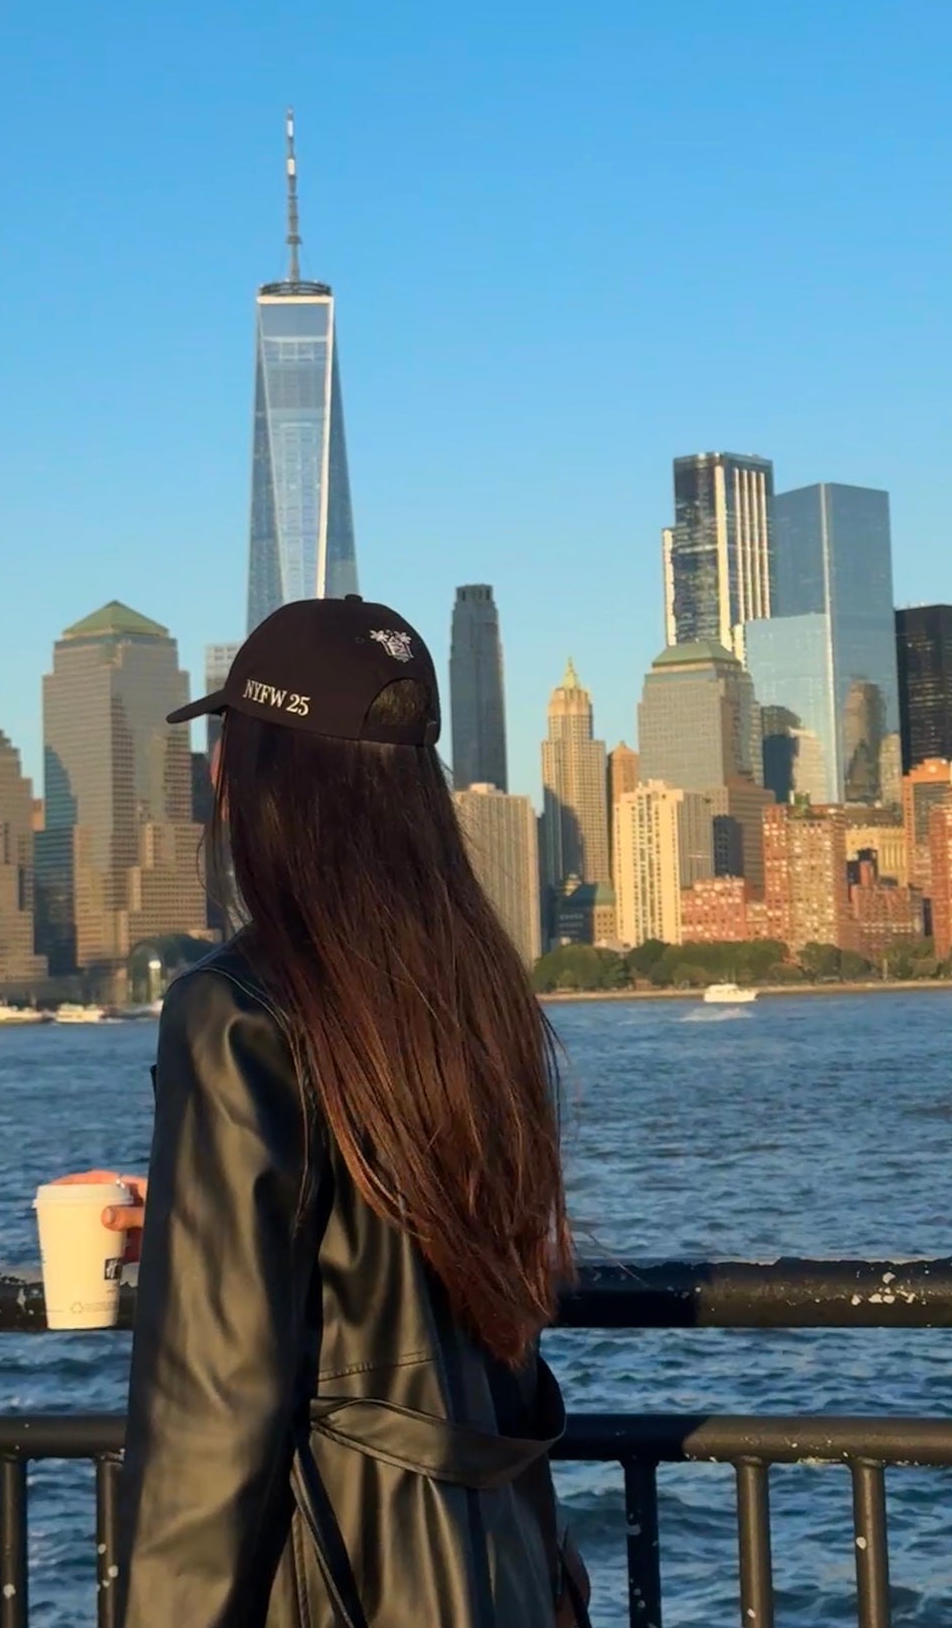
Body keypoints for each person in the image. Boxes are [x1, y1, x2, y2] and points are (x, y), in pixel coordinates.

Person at [74, 595, 588, 1628]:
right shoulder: (478, 997)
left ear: (265, 781)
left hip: (341, 1585)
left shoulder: (234, 1010)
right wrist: (185, 1204)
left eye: (230, 745)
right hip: (506, 1574)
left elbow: (213, 1403)